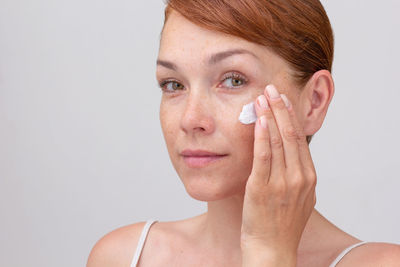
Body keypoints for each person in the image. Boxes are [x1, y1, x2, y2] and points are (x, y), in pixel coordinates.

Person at [87, 0, 400, 266]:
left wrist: (270, 254)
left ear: (314, 102)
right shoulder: (124, 257)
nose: (191, 119)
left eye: (233, 80)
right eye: (174, 84)